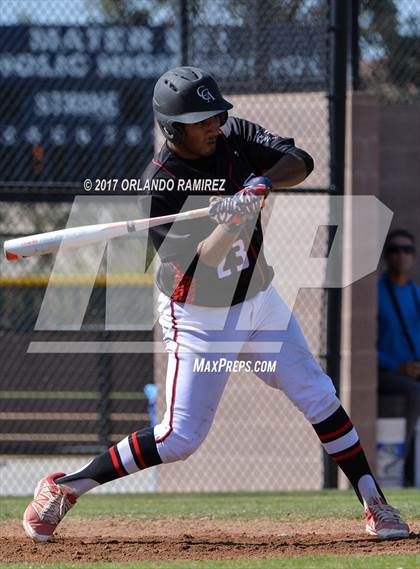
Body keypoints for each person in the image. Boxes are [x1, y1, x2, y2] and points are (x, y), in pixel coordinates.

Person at [23, 67, 410, 542]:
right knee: (180, 438)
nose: (215, 123)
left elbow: (300, 160)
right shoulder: (158, 184)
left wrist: (258, 186)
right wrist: (229, 224)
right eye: (201, 118)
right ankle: (65, 486)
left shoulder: (233, 135)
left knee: (318, 394)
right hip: (200, 316)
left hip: (260, 299)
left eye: (215, 114)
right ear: (172, 129)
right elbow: (203, 266)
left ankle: (376, 503)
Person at [378, 229, 420, 484]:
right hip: (385, 373)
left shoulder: (417, 293)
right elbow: (365, 348)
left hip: (413, 370)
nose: (402, 255)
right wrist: (398, 367)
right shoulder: (376, 294)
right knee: (415, 392)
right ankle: (403, 469)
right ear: (386, 257)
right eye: (395, 250)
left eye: (408, 250)